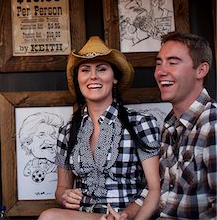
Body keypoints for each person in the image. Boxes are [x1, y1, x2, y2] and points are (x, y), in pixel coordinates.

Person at [38, 36, 161, 220]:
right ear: (78, 80)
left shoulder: (141, 123)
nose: (93, 76)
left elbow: (154, 187)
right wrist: (65, 196)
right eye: (85, 70)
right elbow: (61, 189)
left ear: (115, 78)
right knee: (49, 217)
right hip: (86, 216)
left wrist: (127, 214)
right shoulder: (66, 132)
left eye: (101, 69)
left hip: (128, 216)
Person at [109, 32, 216, 219]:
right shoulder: (169, 126)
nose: (160, 72)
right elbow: (156, 189)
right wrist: (125, 215)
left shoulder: (212, 124)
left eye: (173, 63)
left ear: (201, 70)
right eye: (159, 63)